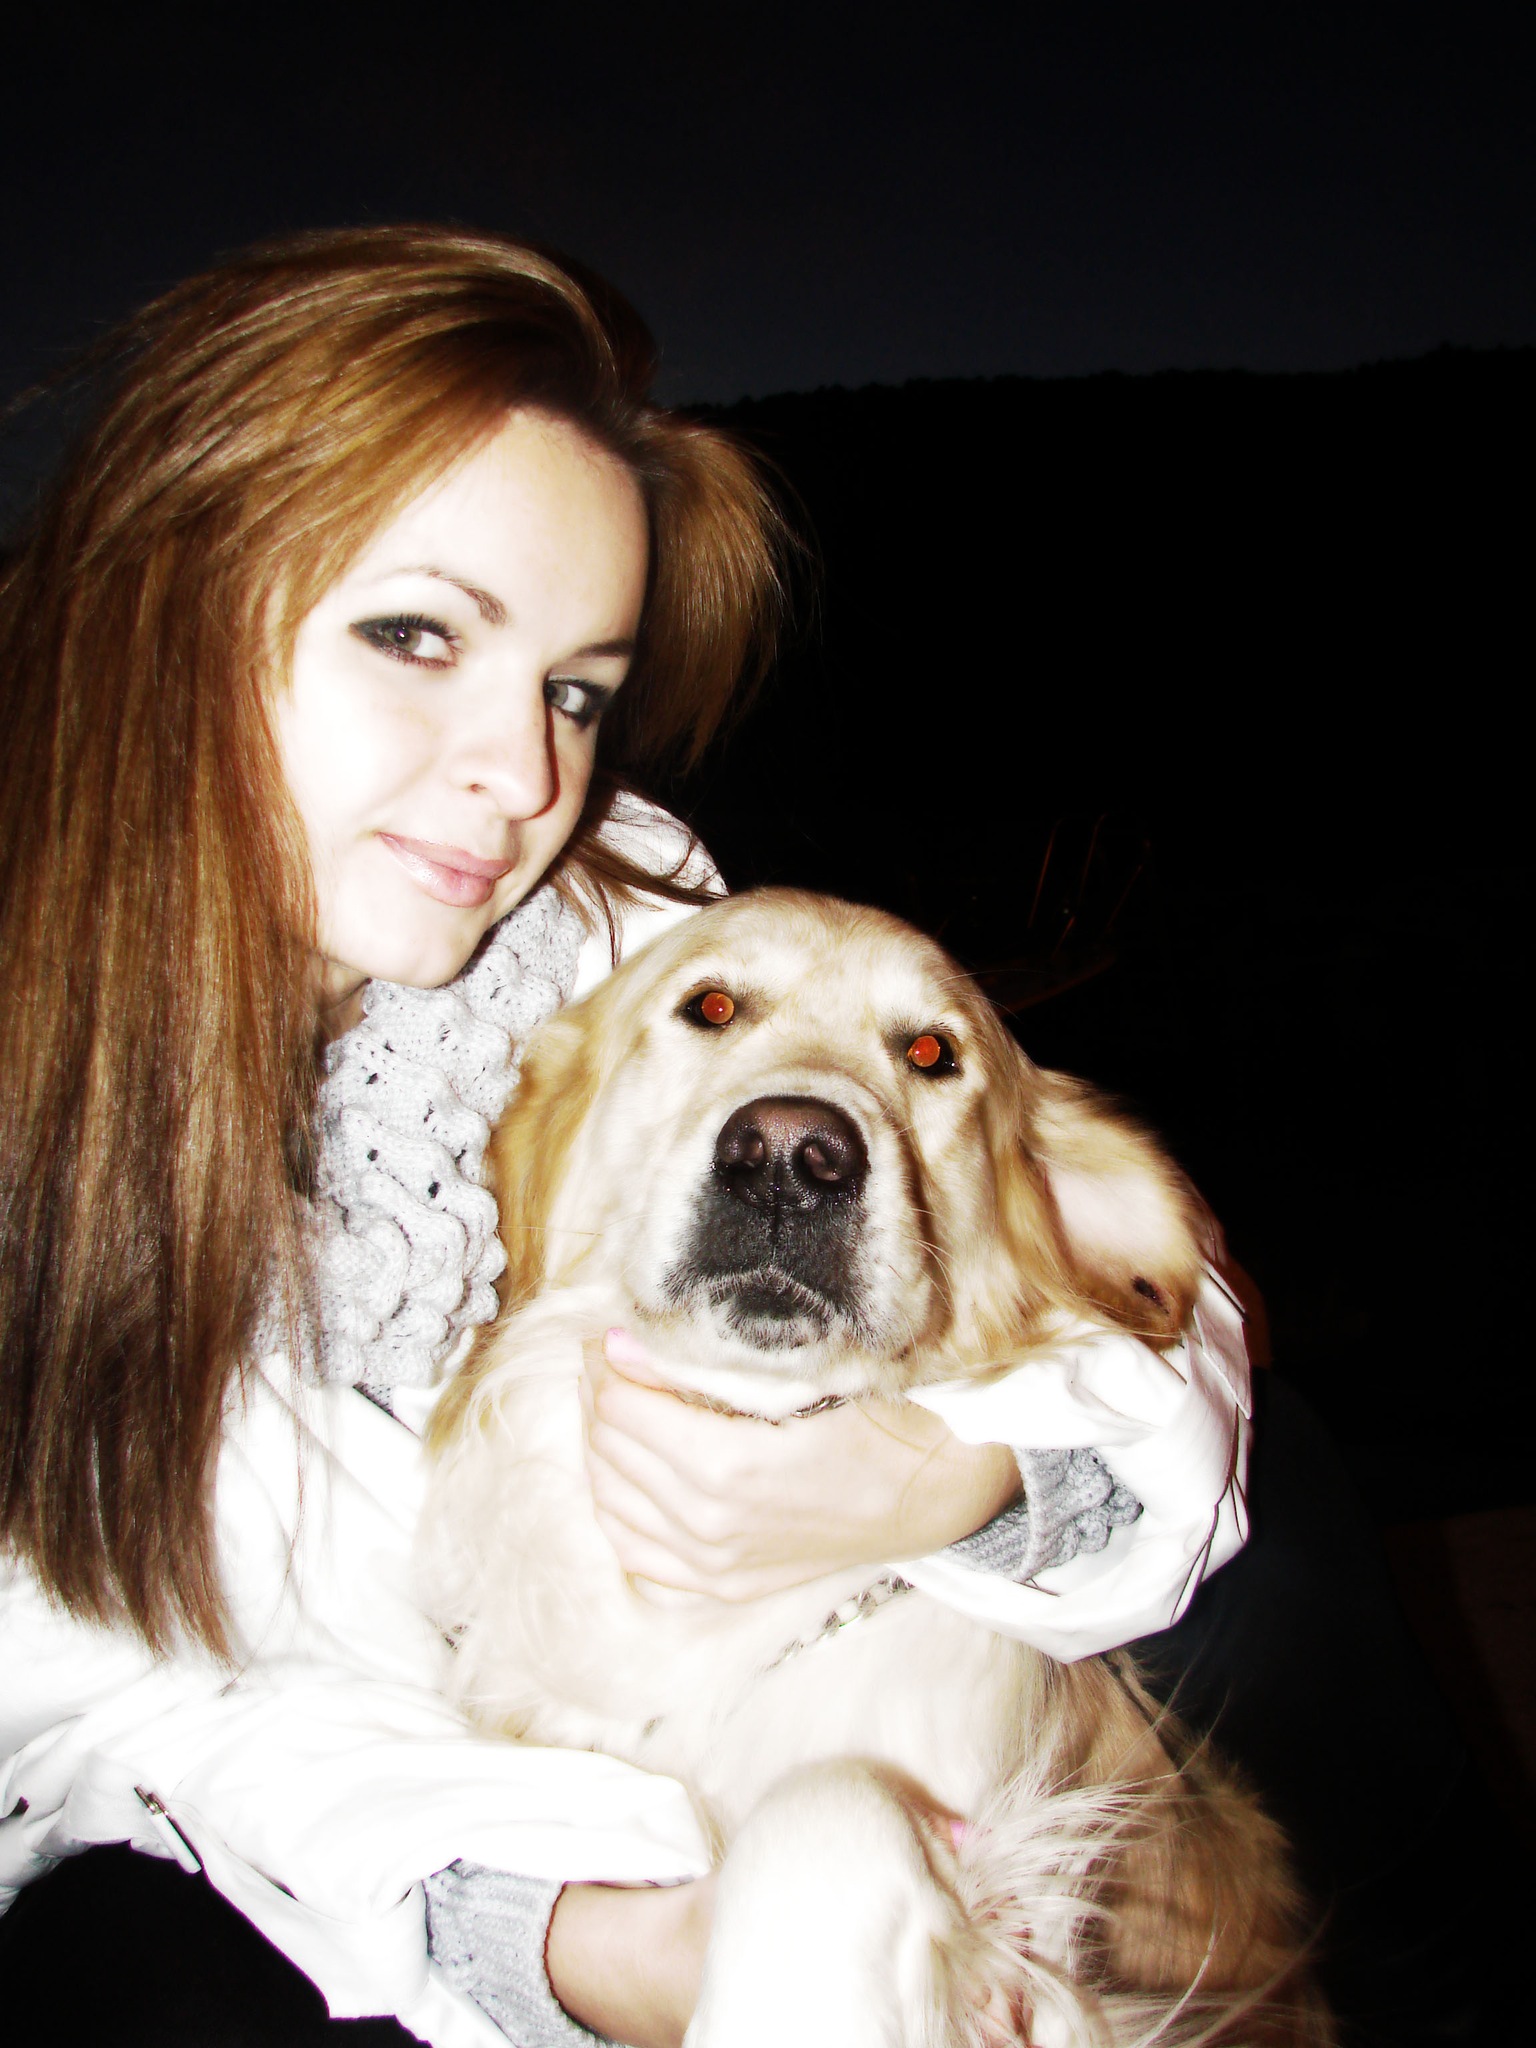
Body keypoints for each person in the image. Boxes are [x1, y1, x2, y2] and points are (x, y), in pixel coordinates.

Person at [0, 226, 1251, 2047]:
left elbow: (1139, 1286)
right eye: (416, 635)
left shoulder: (615, 927)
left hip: (757, 1740)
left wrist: (969, 1485)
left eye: (574, 690)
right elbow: (90, 1735)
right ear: (160, 609)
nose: (521, 776)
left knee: (1277, 1571)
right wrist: (582, 1943)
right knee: (125, 1968)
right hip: (356, 1886)